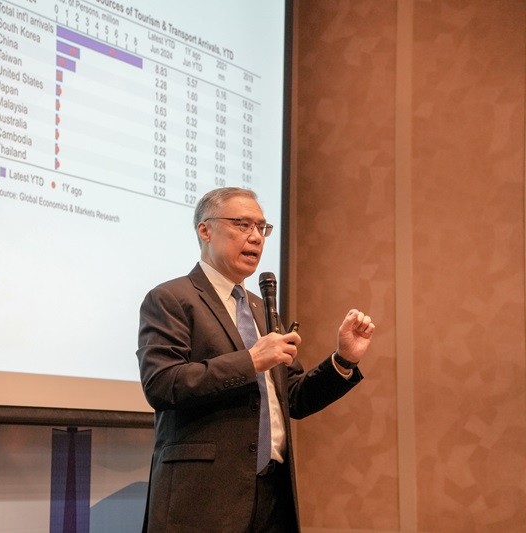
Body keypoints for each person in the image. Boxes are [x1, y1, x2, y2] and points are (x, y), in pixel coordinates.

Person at [136, 187, 375, 532]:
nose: (256, 238)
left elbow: (293, 397)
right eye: (242, 224)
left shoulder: (262, 309)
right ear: (205, 230)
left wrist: (343, 361)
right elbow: (162, 385)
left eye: (262, 228)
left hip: (271, 491)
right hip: (205, 495)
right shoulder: (171, 298)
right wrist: (250, 361)